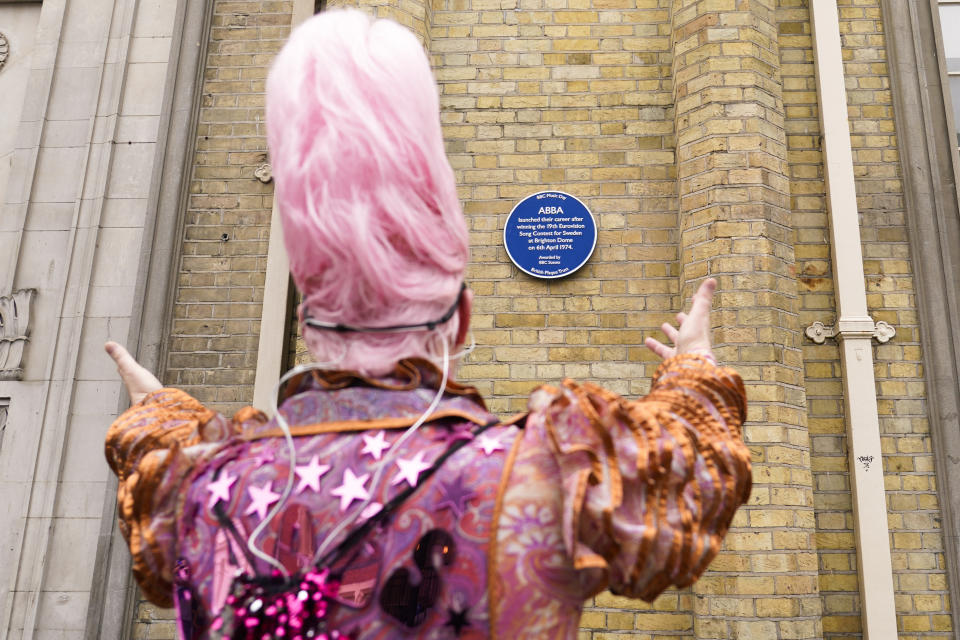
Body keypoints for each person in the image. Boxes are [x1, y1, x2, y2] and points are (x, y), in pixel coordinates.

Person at [104, 8, 751, 640]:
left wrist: (156, 413)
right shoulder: (549, 480)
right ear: (461, 320)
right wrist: (691, 365)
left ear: (309, 325)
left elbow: (158, 468)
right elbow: (695, 467)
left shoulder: (204, 488)